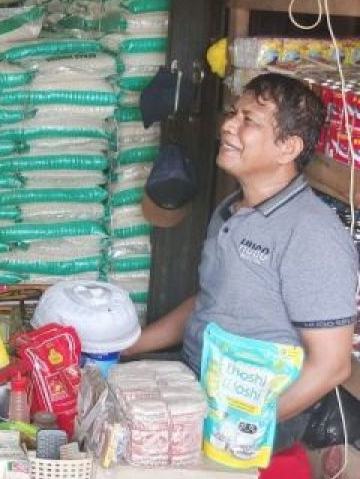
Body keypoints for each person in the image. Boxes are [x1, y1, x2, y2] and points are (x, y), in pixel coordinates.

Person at [124, 73, 358, 449]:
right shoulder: (232, 210)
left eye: (249, 120)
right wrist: (129, 346)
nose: (228, 126)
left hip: (254, 411)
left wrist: (245, 425)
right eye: (234, 113)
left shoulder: (312, 235)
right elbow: (210, 302)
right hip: (197, 383)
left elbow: (332, 365)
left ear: (288, 148)